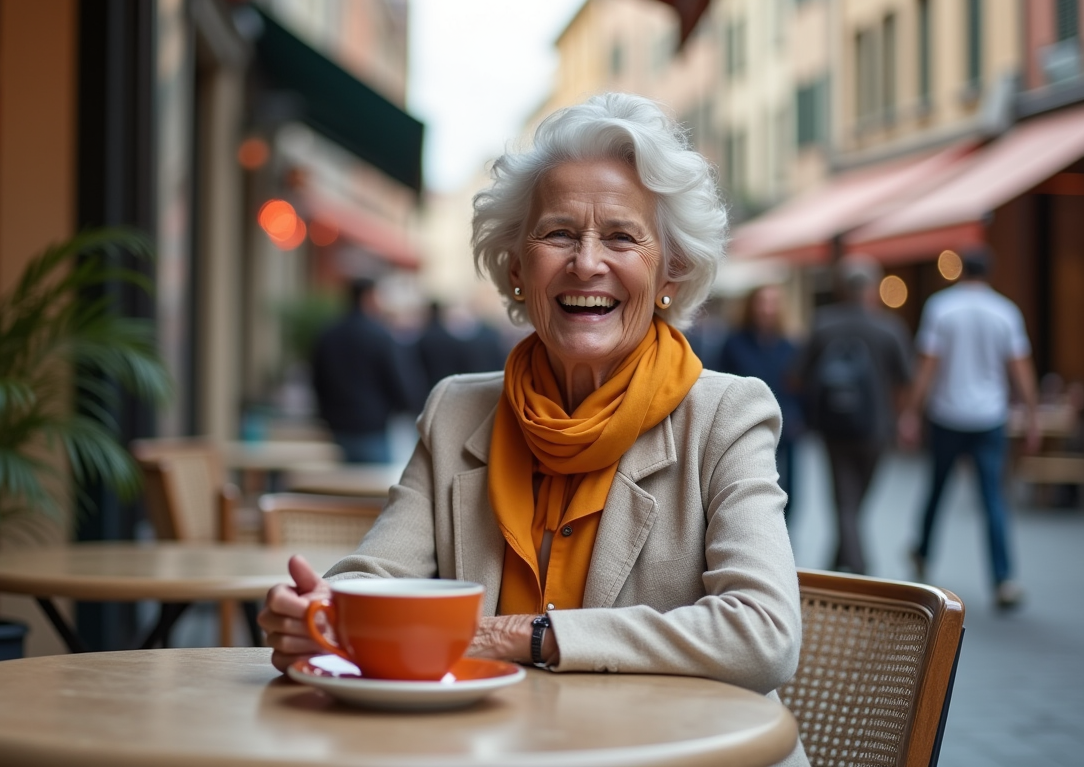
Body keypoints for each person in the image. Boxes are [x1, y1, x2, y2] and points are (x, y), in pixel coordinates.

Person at [262, 94, 808, 767]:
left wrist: (533, 637)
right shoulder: (458, 411)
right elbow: (377, 578)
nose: (586, 263)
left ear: (672, 270)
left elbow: (764, 634)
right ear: (517, 270)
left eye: (620, 236)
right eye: (557, 234)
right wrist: (320, 618)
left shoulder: (726, 414)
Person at [900, 247, 1040, 609]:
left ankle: (924, 553)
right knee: (993, 497)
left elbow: (928, 366)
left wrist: (911, 413)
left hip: (947, 414)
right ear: (989, 272)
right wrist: (1032, 416)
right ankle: (1003, 578)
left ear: (961, 271)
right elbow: (1020, 368)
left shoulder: (941, 307)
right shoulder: (1005, 311)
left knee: (936, 489)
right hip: (989, 417)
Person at [797, 256, 913, 575]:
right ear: (873, 288)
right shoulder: (889, 328)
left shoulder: (823, 324)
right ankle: (862, 572)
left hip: (833, 427)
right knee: (854, 502)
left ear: (841, 287)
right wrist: (901, 417)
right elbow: (906, 381)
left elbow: (799, 374)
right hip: (876, 429)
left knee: (846, 503)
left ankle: (837, 561)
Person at [310, 278, 424, 463]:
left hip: (334, 429)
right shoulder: (380, 335)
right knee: (374, 488)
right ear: (368, 297)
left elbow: (317, 379)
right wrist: (404, 407)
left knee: (334, 487)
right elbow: (398, 380)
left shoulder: (328, 334)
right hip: (372, 428)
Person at [718, 285, 804, 523]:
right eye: (762, 302)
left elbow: (800, 387)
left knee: (790, 493)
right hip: (746, 427)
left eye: (773, 302)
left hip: (786, 429)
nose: (767, 308)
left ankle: (782, 538)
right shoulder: (734, 344)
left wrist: (799, 418)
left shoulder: (790, 346)